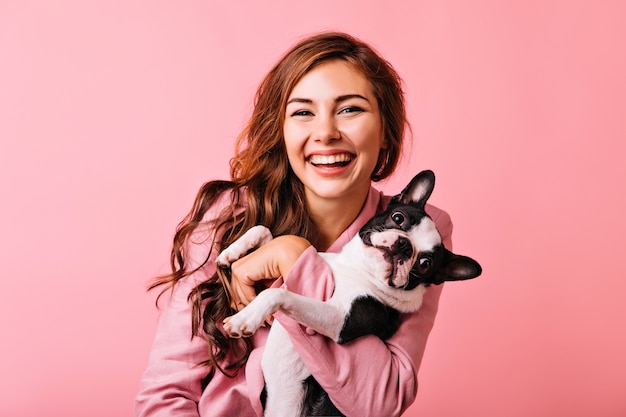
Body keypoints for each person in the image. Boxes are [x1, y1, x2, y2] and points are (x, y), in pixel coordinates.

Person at [135, 31, 453, 417]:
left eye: (350, 109)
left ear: (386, 129)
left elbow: (378, 401)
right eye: (303, 112)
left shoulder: (424, 234)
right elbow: (165, 396)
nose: (325, 133)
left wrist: (297, 261)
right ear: (281, 131)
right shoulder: (229, 215)